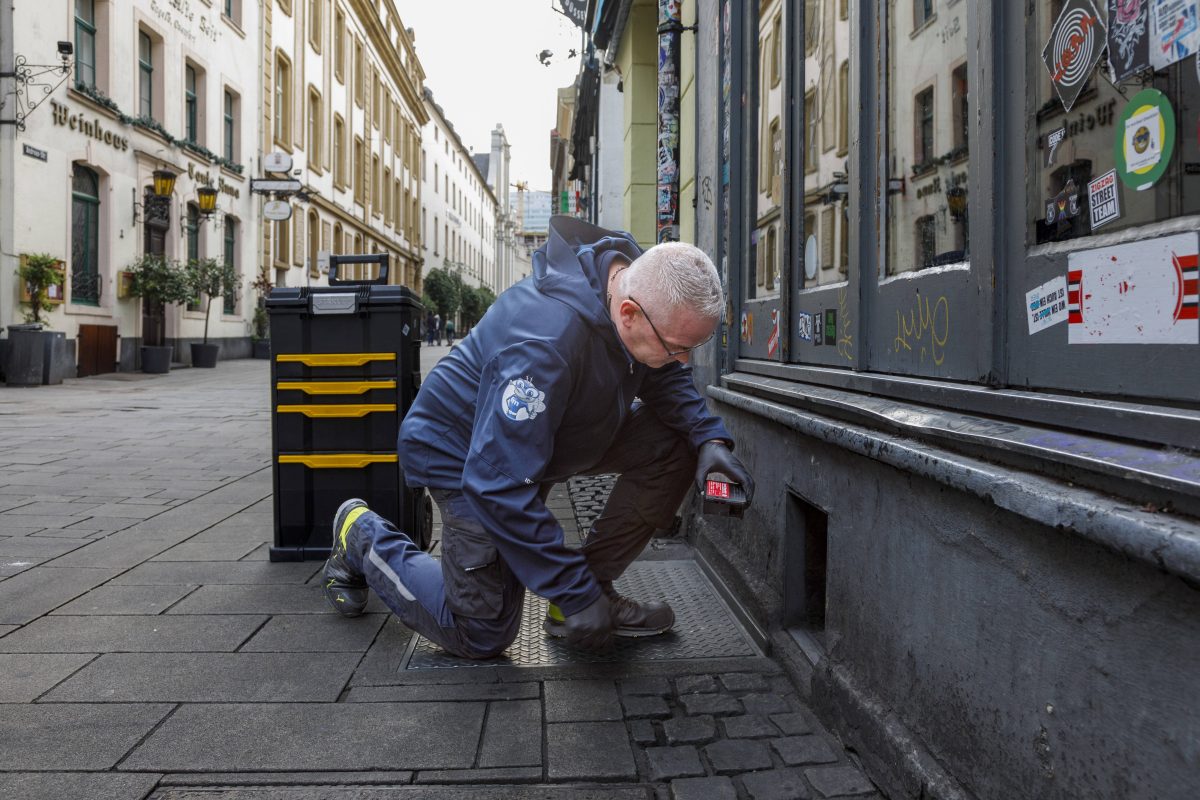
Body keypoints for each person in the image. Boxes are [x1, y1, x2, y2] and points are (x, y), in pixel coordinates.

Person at [322, 216, 754, 656]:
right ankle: (360, 533)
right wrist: (571, 588)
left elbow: (661, 376)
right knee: (481, 632)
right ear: (628, 313)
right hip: (465, 453)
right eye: (677, 347)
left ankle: (589, 591)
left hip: (550, 434)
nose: (683, 362)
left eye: (692, 349)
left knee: (679, 442)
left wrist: (709, 440)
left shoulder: (637, 287)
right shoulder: (545, 342)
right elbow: (497, 484)